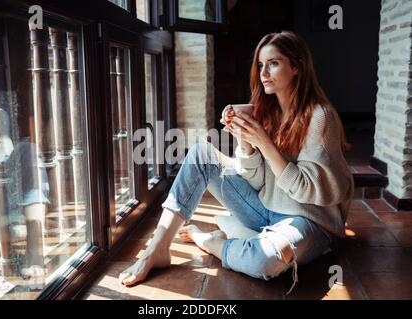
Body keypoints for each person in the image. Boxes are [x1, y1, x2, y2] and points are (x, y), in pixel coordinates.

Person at [119, 31, 354, 293]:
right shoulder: (267, 112)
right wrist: (244, 141)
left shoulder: (320, 116)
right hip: (265, 209)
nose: (264, 72)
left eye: (273, 63)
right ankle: (158, 248)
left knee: (264, 260)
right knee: (200, 154)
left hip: (308, 219)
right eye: (261, 65)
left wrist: (264, 142)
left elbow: (306, 190)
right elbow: (254, 181)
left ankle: (212, 240)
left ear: (297, 67)